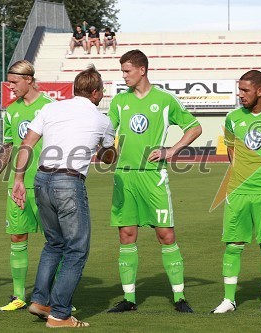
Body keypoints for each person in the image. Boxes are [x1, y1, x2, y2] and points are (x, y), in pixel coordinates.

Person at [12, 65, 117, 328]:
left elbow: (27, 144)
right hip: (69, 182)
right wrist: (110, 149)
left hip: (41, 179)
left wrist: (17, 180)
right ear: (94, 92)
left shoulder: (50, 108)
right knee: (76, 249)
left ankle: (40, 301)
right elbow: (107, 159)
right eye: (101, 90)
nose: (102, 95)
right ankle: (59, 314)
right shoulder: (103, 120)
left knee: (53, 244)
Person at [107, 49, 202, 313]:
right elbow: (106, 133)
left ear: (142, 70)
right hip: (124, 176)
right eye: (122, 71)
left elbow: (194, 127)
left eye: (127, 71)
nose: (123, 75)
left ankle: (180, 297)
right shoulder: (118, 102)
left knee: (165, 234)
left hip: (153, 177)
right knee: (126, 235)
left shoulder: (164, 100)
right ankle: (129, 299)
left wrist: (172, 150)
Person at [211, 70, 261, 315]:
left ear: (260, 91)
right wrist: (239, 173)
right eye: (239, 89)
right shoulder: (232, 117)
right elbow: (231, 149)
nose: (240, 95)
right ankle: (229, 300)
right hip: (237, 192)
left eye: (245, 90)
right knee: (233, 245)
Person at [0, 60, 55, 311]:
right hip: (17, 185)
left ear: (29, 79)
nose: (11, 87)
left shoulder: (49, 107)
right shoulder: (12, 110)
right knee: (17, 236)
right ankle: (18, 295)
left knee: (54, 239)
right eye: (9, 83)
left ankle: (55, 298)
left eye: (14, 82)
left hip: (46, 183)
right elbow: (8, 146)